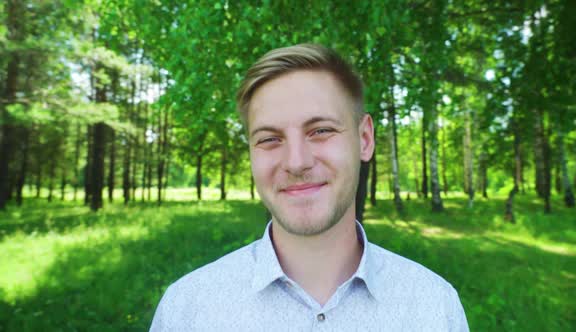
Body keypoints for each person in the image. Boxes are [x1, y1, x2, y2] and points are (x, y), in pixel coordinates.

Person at [149, 43, 469, 331]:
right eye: (270, 139)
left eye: (320, 131)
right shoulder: (186, 311)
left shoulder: (434, 308)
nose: (297, 162)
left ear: (365, 139)